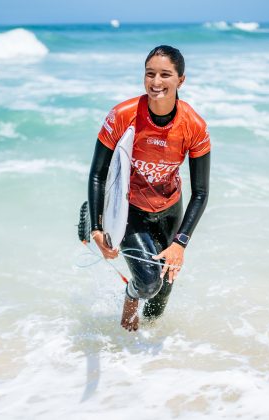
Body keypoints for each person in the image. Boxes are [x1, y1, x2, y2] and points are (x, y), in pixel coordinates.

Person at [88, 45, 211, 332]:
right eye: (150, 74)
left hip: (170, 210)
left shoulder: (194, 125)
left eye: (165, 75)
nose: (156, 83)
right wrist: (96, 226)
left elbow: (201, 192)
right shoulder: (123, 115)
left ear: (181, 80)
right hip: (130, 209)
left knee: (161, 297)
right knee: (148, 282)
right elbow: (98, 174)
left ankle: (150, 360)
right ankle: (131, 296)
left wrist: (180, 243)